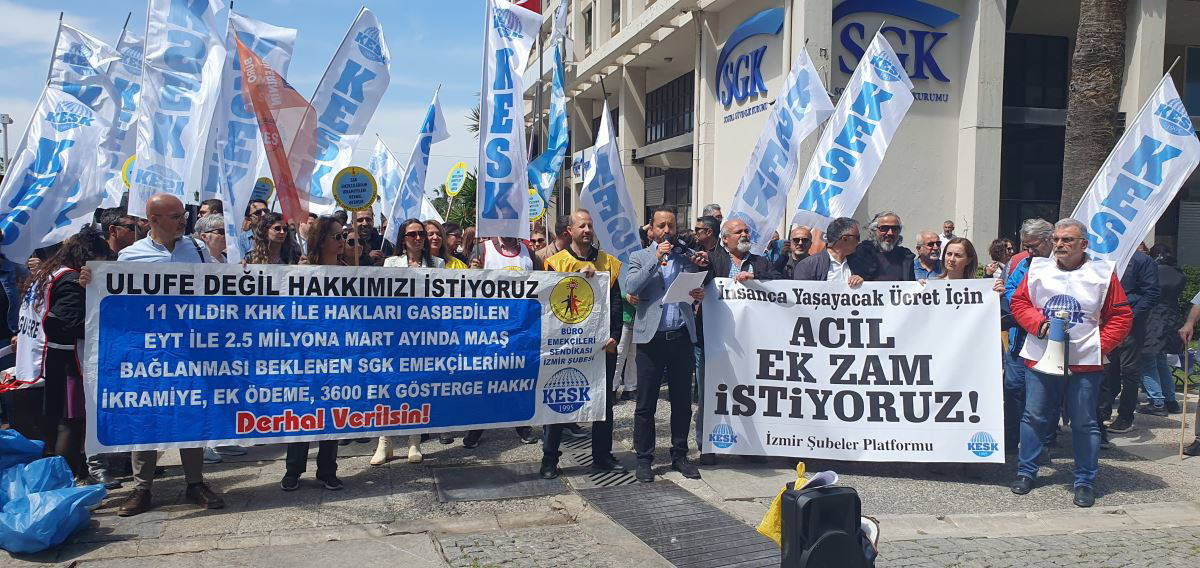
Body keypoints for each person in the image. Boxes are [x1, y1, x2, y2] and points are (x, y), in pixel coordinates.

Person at [110, 193, 225, 515]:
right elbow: (115, 299)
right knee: (147, 414)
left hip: (190, 349)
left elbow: (220, 284)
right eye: (175, 217)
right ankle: (142, 488)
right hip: (150, 351)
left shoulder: (198, 249)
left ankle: (195, 483)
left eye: (183, 215)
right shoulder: (131, 257)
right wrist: (90, 282)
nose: (182, 221)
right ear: (153, 220)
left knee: (192, 411)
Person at [1009, 218, 1132, 508]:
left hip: (1084, 362)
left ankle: (1085, 480)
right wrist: (1038, 324)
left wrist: (1100, 345)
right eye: (1056, 240)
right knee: (1034, 416)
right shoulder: (1037, 268)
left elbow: (1121, 315)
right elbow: (1019, 302)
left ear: (1083, 244)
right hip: (1041, 356)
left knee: (1084, 422)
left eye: (1067, 240)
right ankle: (1026, 471)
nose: (1059, 245)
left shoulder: (1102, 273)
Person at [14, 227, 112, 484]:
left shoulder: (47, 273)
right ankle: (69, 479)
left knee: (58, 420)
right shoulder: (70, 281)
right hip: (67, 361)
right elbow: (67, 323)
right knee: (71, 421)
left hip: (44, 358)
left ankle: (72, 475)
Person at [624, 205, 709, 482]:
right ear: (651, 230)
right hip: (651, 340)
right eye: (661, 225)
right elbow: (632, 286)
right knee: (646, 404)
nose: (666, 230)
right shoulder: (638, 256)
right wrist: (656, 258)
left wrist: (697, 293)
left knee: (682, 402)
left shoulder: (685, 258)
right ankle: (644, 458)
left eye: (671, 225)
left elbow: (696, 286)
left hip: (680, 337)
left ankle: (680, 455)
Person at [539, 209, 626, 478]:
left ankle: (602, 455)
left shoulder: (608, 263)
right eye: (581, 226)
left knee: (603, 402)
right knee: (558, 400)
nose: (587, 230)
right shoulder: (556, 263)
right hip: (566, 346)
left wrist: (615, 336)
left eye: (590, 225)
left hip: (601, 346)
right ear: (570, 231)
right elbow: (548, 306)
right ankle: (549, 458)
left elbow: (616, 303)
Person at [698, 218, 775, 465]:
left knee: (748, 394)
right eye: (738, 231)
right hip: (716, 339)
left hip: (749, 344)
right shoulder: (713, 260)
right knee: (711, 392)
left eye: (746, 231)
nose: (744, 234)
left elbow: (780, 282)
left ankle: (749, 445)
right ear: (725, 239)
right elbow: (700, 281)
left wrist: (755, 278)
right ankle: (707, 446)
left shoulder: (760, 262)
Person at [280, 216, 347, 492]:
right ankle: (293, 470)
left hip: (337, 353)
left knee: (332, 411)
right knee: (302, 410)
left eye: (343, 236)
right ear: (321, 240)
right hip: (305, 354)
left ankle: (327, 470)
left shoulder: (350, 272)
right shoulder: (302, 272)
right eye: (336, 237)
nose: (342, 242)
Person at [463, 235, 542, 447]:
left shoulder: (528, 251)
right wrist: (472, 272)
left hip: (520, 327)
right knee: (485, 378)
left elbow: (543, 282)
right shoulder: (482, 249)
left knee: (518, 378)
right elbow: (468, 287)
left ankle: (522, 424)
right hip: (489, 328)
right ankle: (477, 426)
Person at [1002, 219, 1054, 455]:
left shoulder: (1059, 268)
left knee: (1043, 396)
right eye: (1026, 246)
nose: (1030, 251)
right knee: (1013, 389)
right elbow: (1011, 292)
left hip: (1047, 342)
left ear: (1049, 241)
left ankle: (1042, 444)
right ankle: (1011, 440)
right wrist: (1026, 310)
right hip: (1018, 339)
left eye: (1034, 246)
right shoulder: (1022, 264)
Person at [1099, 247, 1159, 435]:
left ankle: (1125, 417)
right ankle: (1103, 412)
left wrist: (1129, 317)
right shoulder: (1103, 258)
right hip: (1105, 322)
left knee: (1129, 371)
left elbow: (1151, 293)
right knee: (1106, 368)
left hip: (1131, 324)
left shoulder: (1142, 260)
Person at [1138, 244, 1185, 416]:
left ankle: (1157, 402)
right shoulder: (1178, 272)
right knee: (1161, 360)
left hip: (1153, 319)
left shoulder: (1153, 271)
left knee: (1147, 360)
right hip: (1171, 319)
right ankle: (1171, 400)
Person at [792, 217, 867, 287]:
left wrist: (862, 283)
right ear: (845, 239)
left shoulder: (859, 264)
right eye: (857, 237)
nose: (858, 242)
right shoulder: (808, 265)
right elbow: (801, 294)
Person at [855, 211, 915, 281]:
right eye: (884, 228)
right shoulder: (860, 254)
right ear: (874, 230)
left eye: (895, 229)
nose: (890, 233)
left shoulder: (905, 256)